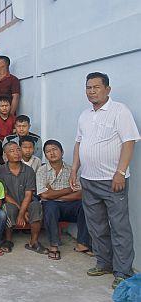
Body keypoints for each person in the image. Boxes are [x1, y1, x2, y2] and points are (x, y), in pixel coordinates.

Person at [69, 72, 140, 288]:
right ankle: (104, 263)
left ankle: (123, 271)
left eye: (96, 87)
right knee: (96, 226)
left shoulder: (120, 111)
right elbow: (79, 144)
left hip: (112, 181)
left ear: (107, 89)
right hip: (89, 180)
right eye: (88, 87)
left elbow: (129, 142)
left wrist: (120, 172)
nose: (91, 91)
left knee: (119, 227)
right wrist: (74, 170)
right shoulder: (84, 115)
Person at [37, 140, 91, 261]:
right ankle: (54, 246)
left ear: (62, 152)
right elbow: (44, 195)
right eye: (48, 151)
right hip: (51, 207)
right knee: (50, 206)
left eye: (55, 149)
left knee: (85, 205)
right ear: (45, 155)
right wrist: (69, 189)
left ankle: (82, 243)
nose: (52, 153)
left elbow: (79, 195)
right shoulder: (42, 170)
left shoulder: (72, 170)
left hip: (70, 205)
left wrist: (54, 195)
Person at [0, 142, 44, 254]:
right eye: (12, 151)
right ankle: (8, 240)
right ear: (5, 155)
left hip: (28, 202)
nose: (16, 153)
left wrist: (22, 212)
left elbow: (29, 195)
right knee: (7, 208)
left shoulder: (28, 170)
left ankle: (34, 241)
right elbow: (4, 194)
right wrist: (21, 213)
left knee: (36, 206)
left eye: (18, 150)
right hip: (12, 203)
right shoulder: (1, 171)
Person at [0, 95, 15, 163]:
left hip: (10, 141)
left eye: (6, 105)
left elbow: (14, 134)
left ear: (10, 106)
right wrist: (3, 143)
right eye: (2, 106)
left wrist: (7, 142)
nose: (4, 108)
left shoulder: (14, 118)